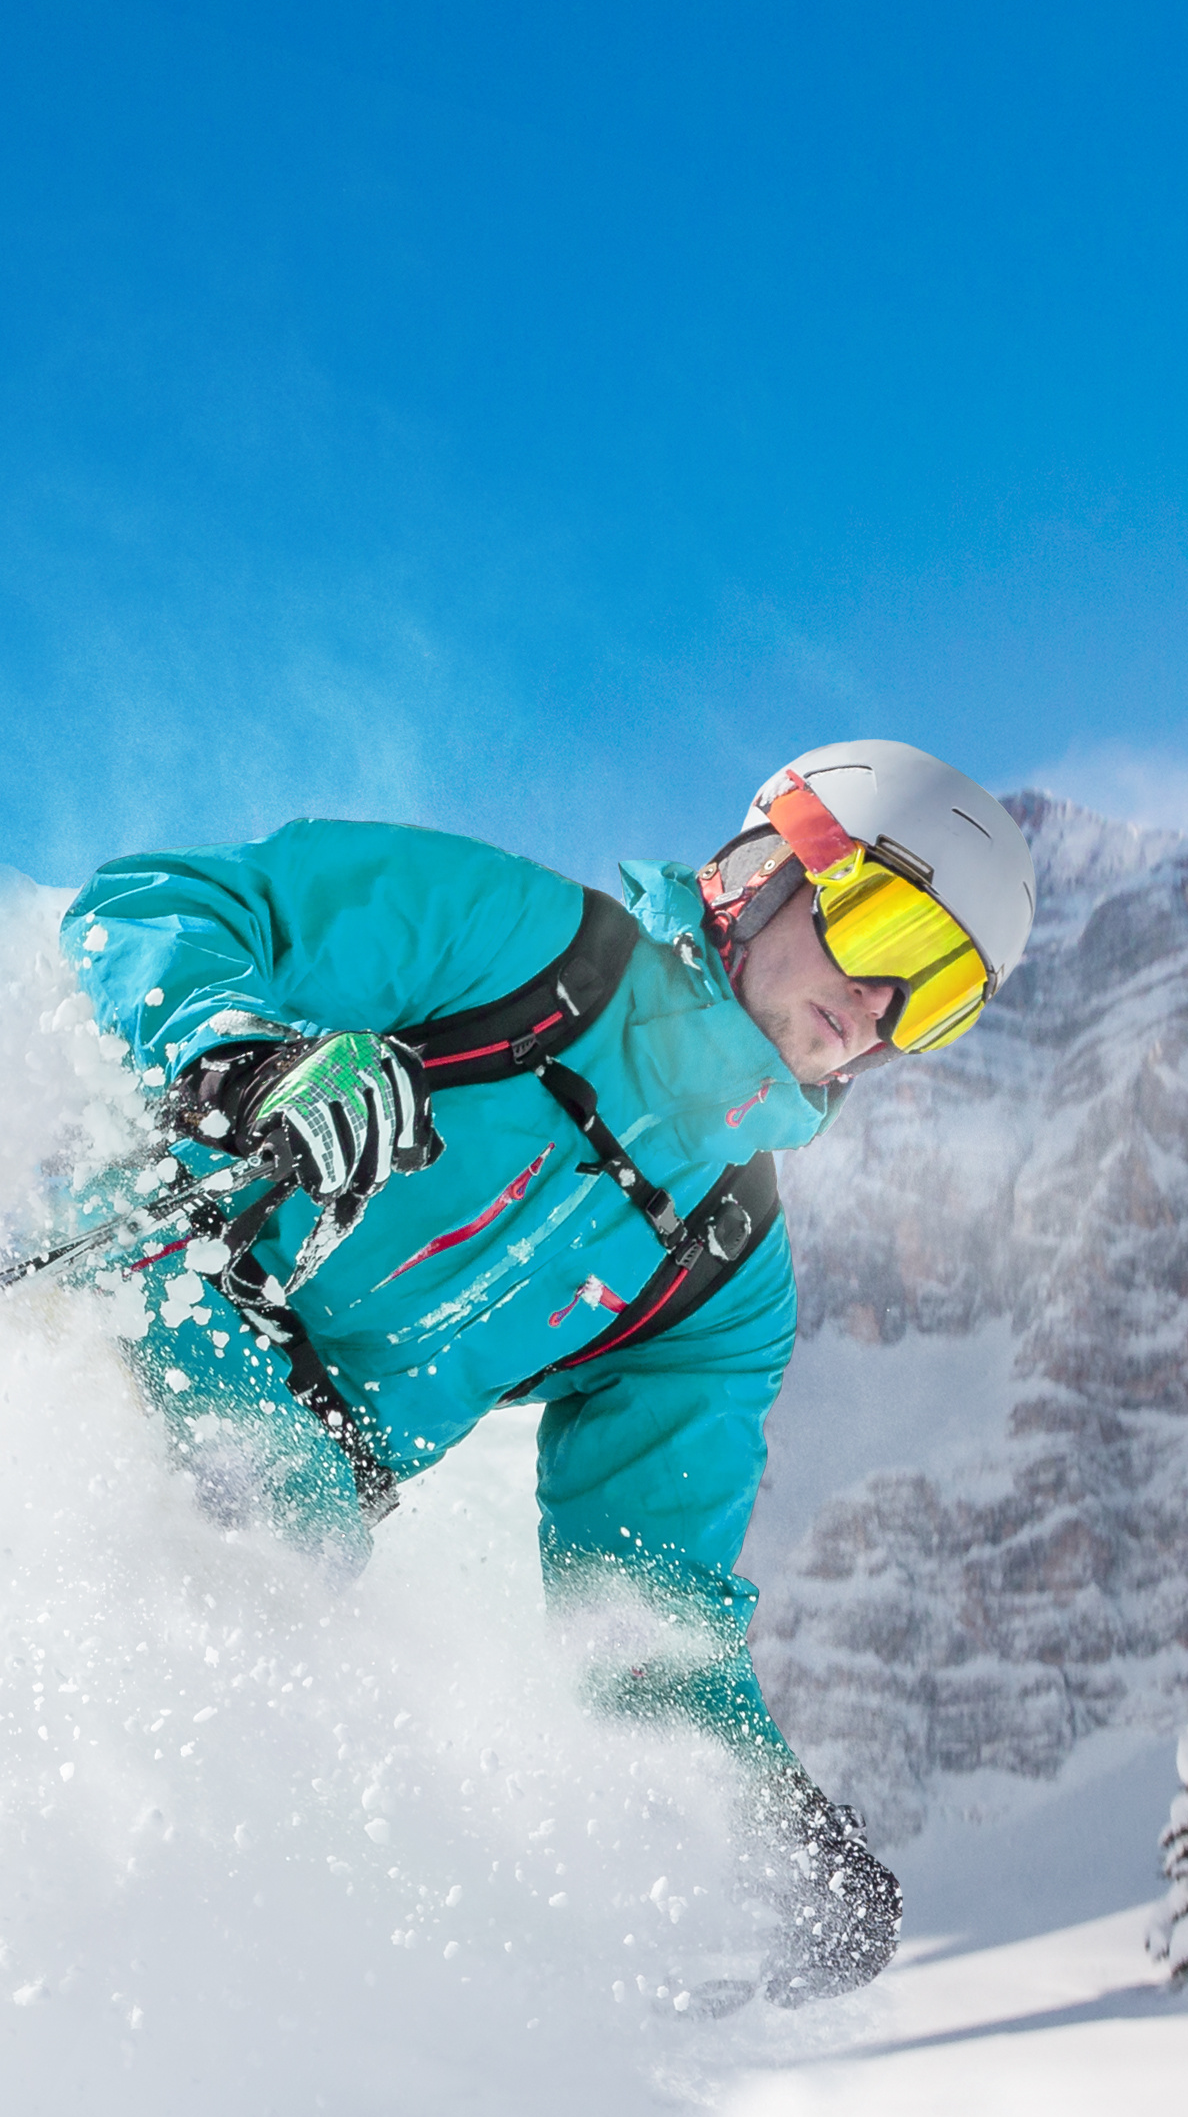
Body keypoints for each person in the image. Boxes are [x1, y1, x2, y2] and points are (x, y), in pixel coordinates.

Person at [60, 738, 1037, 1998]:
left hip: (268, 1529)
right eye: (890, 933)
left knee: (269, 1761)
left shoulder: (721, 1269)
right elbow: (155, 907)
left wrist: (757, 1816)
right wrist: (240, 1058)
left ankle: (231, 2056)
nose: (884, 1012)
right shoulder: (525, 951)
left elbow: (640, 1596)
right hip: (96, 1330)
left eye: (941, 996)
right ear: (775, 867)